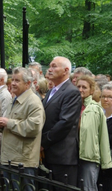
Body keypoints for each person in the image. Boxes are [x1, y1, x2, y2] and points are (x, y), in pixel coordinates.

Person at [0, 67, 45, 191]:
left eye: (17, 81)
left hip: (22, 161)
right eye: (13, 80)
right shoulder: (15, 99)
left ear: (28, 84)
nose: (13, 84)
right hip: (10, 158)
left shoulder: (33, 102)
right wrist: (2, 125)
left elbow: (33, 128)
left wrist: (8, 122)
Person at [41, 56, 82, 190]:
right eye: (50, 66)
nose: (50, 69)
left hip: (62, 156)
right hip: (49, 153)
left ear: (65, 71)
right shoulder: (51, 91)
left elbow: (65, 123)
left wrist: (43, 142)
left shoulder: (72, 92)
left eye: (54, 66)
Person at [76, 75, 112, 191]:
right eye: (78, 86)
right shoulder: (72, 106)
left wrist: (106, 162)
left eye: (84, 87)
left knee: (88, 188)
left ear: (91, 90)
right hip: (72, 155)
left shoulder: (96, 109)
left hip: (90, 157)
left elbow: (103, 136)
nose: (81, 89)